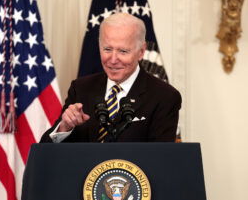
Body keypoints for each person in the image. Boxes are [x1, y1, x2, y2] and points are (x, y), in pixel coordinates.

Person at [40, 13, 181, 143]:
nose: (113, 60)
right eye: (107, 49)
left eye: (123, 51)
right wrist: (65, 127)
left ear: (141, 51)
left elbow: (160, 159)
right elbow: (46, 152)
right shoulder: (81, 89)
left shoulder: (165, 97)